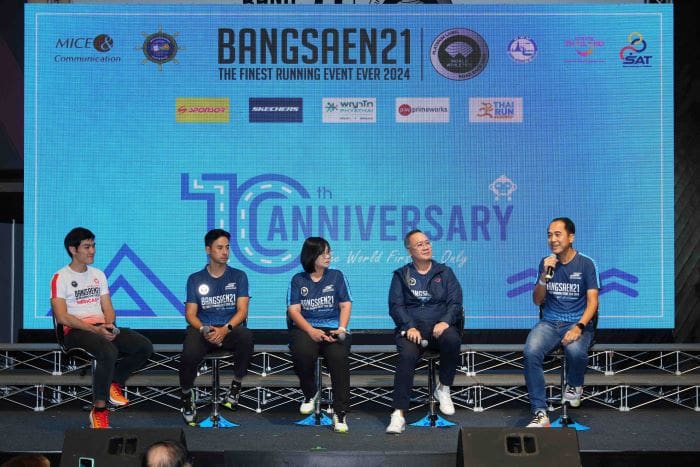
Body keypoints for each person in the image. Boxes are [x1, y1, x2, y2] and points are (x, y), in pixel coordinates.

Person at [50, 227, 153, 429]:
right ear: (73, 249)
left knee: (144, 346)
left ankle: (115, 382)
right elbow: (62, 317)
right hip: (75, 332)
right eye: (87, 247)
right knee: (108, 350)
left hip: (100, 327)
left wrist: (109, 326)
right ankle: (99, 410)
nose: (92, 251)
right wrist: (95, 330)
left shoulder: (99, 274)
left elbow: (108, 308)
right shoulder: (60, 277)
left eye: (93, 246)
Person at [385, 229, 464, 434]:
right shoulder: (401, 275)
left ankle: (443, 387)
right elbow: (396, 306)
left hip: (439, 328)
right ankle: (398, 414)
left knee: (452, 339)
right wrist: (409, 326)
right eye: (419, 244)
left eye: (427, 243)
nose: (426, 247)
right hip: (412, 331)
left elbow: (455, 302)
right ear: (409, 250)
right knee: (407, 356)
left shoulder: (444, 272)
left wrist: (445, 321)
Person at [524, 217, 600, 428]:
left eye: (558, 234)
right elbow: (537, 300)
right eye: (549, 235)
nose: (553, 239)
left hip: (578, 323)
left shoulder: (586, 264)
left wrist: (579, 327)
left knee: (575, 351)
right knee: (531, 352)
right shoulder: (546, 263)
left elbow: (593, 302)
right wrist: (543, 278)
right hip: (550, 322)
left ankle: (575, 385)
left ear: (571, 237)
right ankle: (540, 412)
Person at [179, 229, 254, 425]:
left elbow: (242, 311)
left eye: (227, 247)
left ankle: (235, 387)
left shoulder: (239, 276)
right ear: (208, 250)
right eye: (220, 248)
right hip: (203, 329)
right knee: (189, 353)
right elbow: (190, 314)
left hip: (228, 329)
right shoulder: (195, 279)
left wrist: (225, 329)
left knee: (246, 336)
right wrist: (204, 329)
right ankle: (186, 396)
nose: (225, 252)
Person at [287, 237, 352, 433]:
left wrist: (341, 329)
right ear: (311, 255)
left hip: (334, 328)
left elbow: (345, 305)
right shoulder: (298, 280)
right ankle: (310, 393)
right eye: (323, 253)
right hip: (306, 328)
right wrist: (311, 331)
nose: (328, 256)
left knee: (338, 358)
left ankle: (340, 413)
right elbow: (294, 311)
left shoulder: (337, 276)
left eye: (329, 252)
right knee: (301, 351)